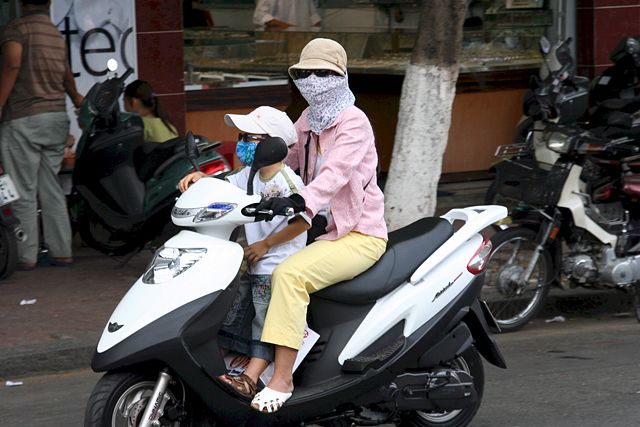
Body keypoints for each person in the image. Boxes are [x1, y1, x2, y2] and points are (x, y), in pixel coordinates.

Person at [246, 38, 388, 413]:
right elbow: (284, 156)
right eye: (304, 73)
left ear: (341, 77)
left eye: (322, 73)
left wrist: (301, 201)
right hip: (321, 231)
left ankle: (282, 378)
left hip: (358, 234)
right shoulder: (309, 118)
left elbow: (334, 174)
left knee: (289, 276)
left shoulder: (354, 122)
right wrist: (217, 180)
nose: (312, 80)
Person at [178, 106, 311, 400]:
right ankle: (215, 367)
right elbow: (225, 184)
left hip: (274, 265)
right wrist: (201, 177)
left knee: (264, 323)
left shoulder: (288, 182)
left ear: (274, 144)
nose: (242, 143)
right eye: (241, 137)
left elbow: (303, 221)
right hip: (250, 263)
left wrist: (266, 245)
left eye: (249, 137)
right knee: (234, 315)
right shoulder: (249, 175)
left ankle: (251, 378)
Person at [0, 0, 83, 270]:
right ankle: (61, 252)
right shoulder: (55, 34)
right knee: (51, 188)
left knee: (23, 190)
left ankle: (26, 256)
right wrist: (76, 100)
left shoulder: (18, 28)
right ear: (48, 3)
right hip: (56, 117)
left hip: (25, 117)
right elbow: (67, 76)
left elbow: (12, 65)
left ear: (21, 3)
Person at [253, 0, 321, 30]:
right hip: (278, 40)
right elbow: (260, 15)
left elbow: (314, 17)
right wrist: (292, 29)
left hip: (301, 40)